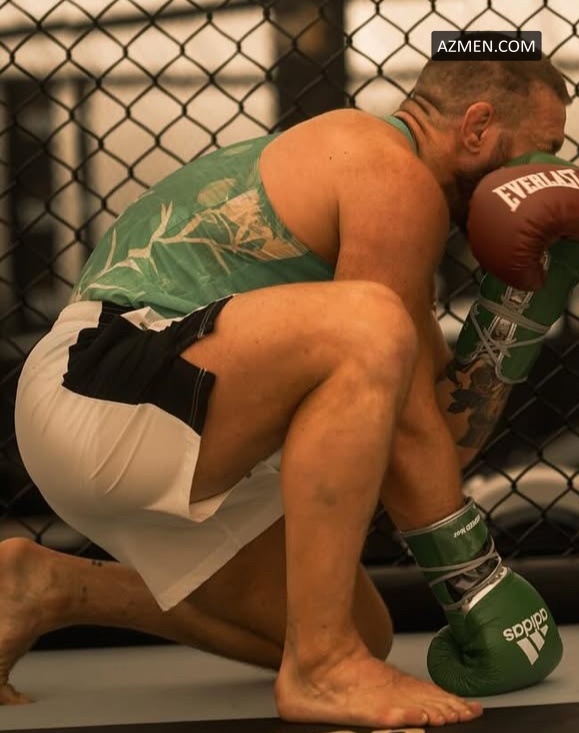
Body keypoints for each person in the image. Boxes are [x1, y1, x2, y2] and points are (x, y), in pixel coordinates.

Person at [10, 54, 572, 728]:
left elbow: (428, 443)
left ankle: (51, 587)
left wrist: (516, 311)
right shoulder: (387, 168)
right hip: (100, 382)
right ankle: (322, 666)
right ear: (477, 126)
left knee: (358, 628)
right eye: (543, 149)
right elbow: (403, 424)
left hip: (168, 419)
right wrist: (476, 584)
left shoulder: (383, 222)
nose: (546, 174)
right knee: (371, 324)